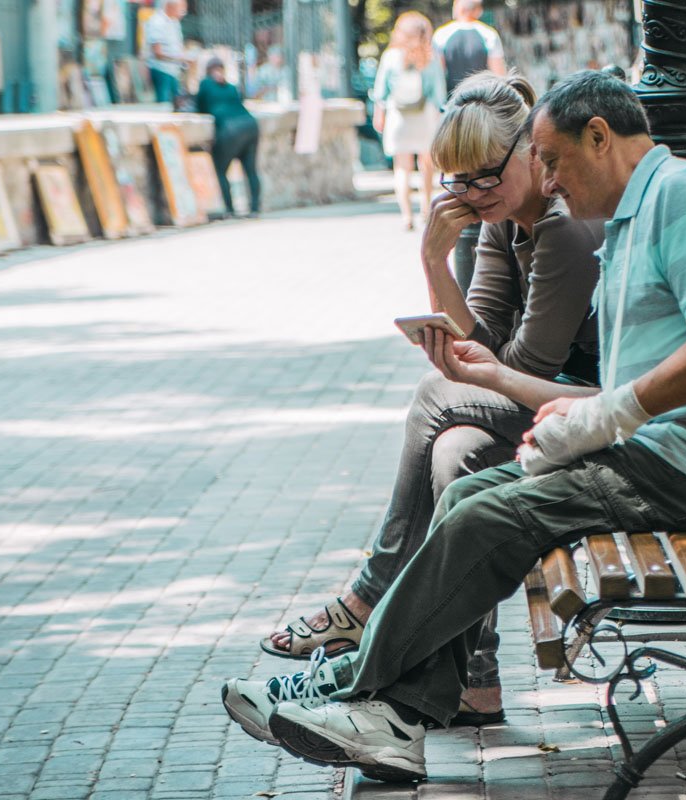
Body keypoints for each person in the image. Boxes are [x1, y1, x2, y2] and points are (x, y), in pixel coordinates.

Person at [221, 69, 686, 783]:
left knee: (487, 516)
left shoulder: (684, 196)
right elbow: (619, 384)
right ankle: (396, 715)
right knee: (467, 493)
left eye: (552, 160)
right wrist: (556, 401)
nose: (548, 181)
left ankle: (352, 689)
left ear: (599, 136)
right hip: (668, 454)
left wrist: (600, 416)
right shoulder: (636, 214)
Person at [230, 71, 602, 734]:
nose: (472, 195)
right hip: (536, 409)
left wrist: (466, 363)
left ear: (529, 152)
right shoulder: (501, 223)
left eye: (485, 177)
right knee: (456, 455)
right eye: (458, 182)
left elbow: (520, 369)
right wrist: (434, 259)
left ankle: (368, 597)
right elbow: (479, 339)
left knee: (435, 397)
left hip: (582, 410)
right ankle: (475, 683)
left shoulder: (562, 232)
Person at [372, 12, 448, 231]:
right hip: (425, 116)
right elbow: (439, 94)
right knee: (426, 164)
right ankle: (425, 208)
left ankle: (406, 215)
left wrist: (379, 115)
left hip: (398, 116)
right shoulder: (430, 57)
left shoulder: (390, 56)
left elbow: (381, 91)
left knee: (402, 167)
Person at [195, 57, 262, 218]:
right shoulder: (231, 87)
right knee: (251, 170)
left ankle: (230, 209)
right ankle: (254, 208)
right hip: (250, 125)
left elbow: (199, 107)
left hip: (230, 129)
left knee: (220, 169)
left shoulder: (205, 84)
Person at [433, 0, 506, 97]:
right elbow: (499, 75)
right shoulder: (489, 34)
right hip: (481, 99)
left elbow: (438, 74)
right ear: (478, 10)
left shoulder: (441, 34)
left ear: (459, 8)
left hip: (453, 99)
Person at [144, 0, 194, 103]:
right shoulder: (157, 22)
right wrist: (180, 58)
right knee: (164, 104)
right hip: (161, 70)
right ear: (170, 6)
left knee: (176, 103)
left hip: (173, 71)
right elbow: (157, 53)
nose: (183, 13)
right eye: (181, 9)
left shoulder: (174, 22)